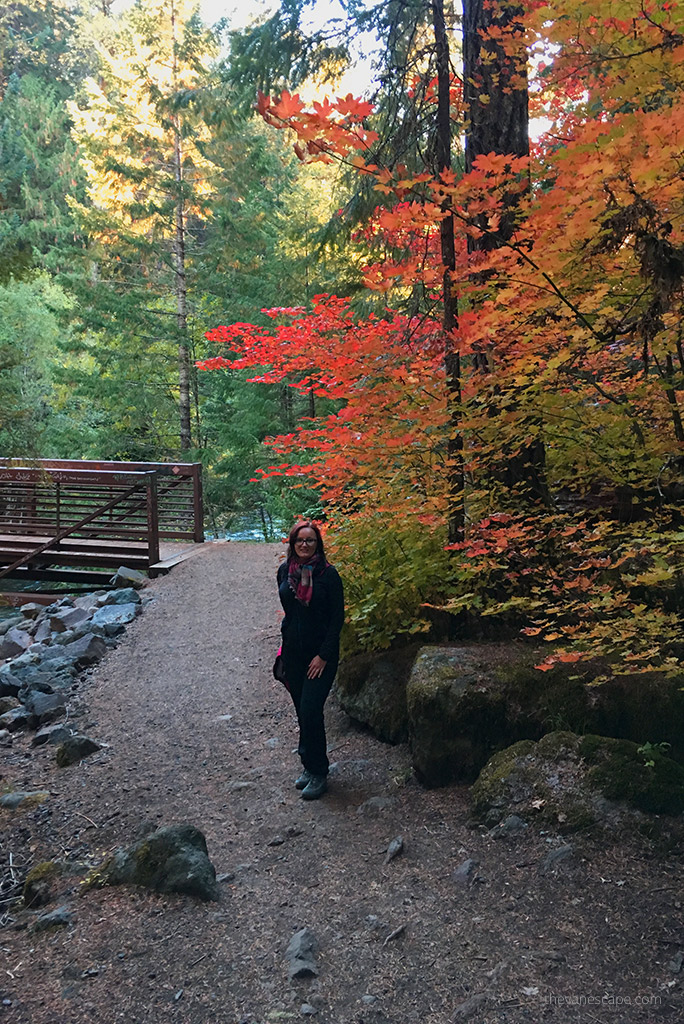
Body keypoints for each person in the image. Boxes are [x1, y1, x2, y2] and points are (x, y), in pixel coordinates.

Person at [277, 520, 344, 800]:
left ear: (318, 544)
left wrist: (323, 656)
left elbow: (336, 619)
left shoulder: (328, 575)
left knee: (311, 710)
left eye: (310, 540)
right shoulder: (284, 571)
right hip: (293, 653)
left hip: (320, 657)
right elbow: (290, 613)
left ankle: (319, 772)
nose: (305, 545)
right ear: (293, 543)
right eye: (300, 540)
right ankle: (308, 765)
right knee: (301, 712)